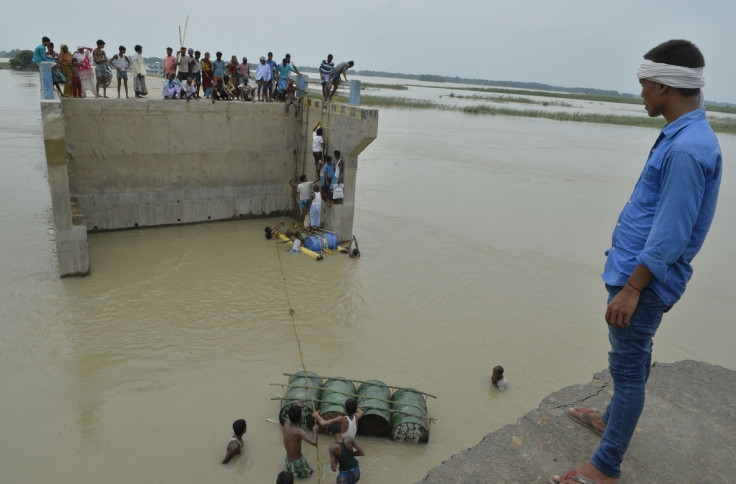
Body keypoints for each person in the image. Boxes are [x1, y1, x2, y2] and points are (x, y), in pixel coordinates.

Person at [550, 39, 722, 484]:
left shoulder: (686, 149)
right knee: (633, 359)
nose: (640, 92)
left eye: (644, 84)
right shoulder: (686, 136)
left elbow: (671, 234)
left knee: (627, 374)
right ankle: (610, 420)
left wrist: (632, 288)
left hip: (640, 281)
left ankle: (605, 466)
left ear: (665, 87)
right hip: (637, 276)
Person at [283, 403, 319, 479]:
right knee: (312, 475)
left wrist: (298, 407)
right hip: (297, 464)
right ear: (300, 417)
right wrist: (315, 431)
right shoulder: (298, 431)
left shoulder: (286, 423)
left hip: (287, 461)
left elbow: (292, 416)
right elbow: (314, 442)